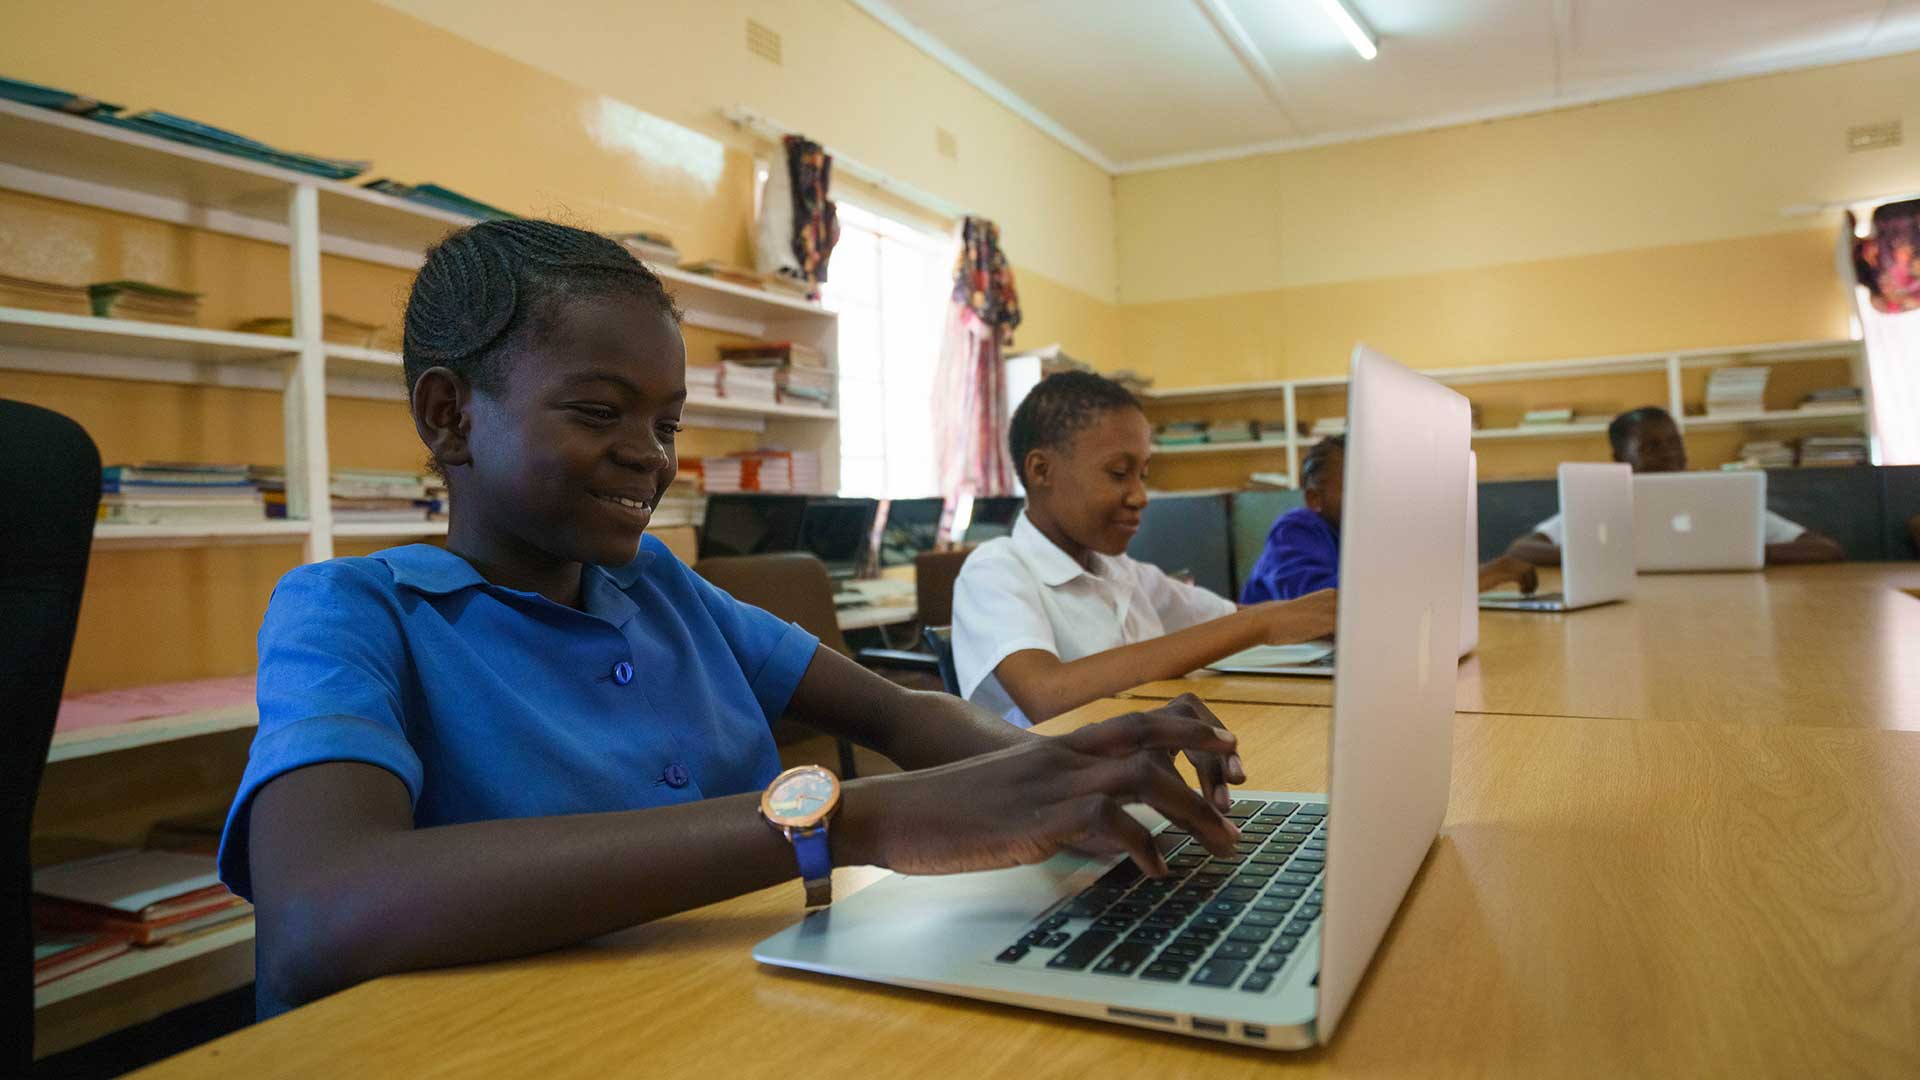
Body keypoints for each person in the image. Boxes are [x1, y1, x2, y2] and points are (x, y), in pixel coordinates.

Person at [221, 221, 1248, 1017]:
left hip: (747, 1004)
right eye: (599, 413)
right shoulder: (350, 612)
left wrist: (1068, 774)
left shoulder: (659, 587)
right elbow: (323, 909)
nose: (651, 455)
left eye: (666, 422)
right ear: (450, 415)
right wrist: (856, 821)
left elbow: (898, 716)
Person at [951, 372, 1338, 727]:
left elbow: (1225, 619)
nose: (1140, 496)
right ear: (1040, 471)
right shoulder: (995, 569)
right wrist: (1262, 623)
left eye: (1144, 475)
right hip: (1044, 792)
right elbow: (1048, 694)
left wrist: (1300, 616)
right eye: (1119, 473)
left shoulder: (1123, 572)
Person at [1505, 406, 1844, 566]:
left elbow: (1826, 549)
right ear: (1620, 457)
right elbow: (1522, 549)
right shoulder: (1605, 504)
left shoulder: (1721, 498)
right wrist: (1602, 558)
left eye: (1674, 442)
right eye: (1651, 447)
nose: (1669, 453)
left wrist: (1737, 555)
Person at [1240, 436, 1537, 603]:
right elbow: (1325, 604)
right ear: (1314, 499)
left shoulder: (1368, 534)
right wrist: (1482, 576)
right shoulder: (1294, 530)